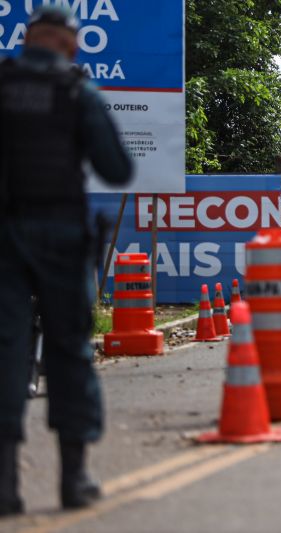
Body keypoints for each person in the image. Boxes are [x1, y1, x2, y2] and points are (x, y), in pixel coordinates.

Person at [0, 6, 133, 516]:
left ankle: (5, 485)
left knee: (5, 350)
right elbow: (116, 169)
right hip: (61, 237)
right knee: (70, 350)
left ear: (26, 40)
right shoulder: (79, 93)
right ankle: (73, 479)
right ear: (71, 47)